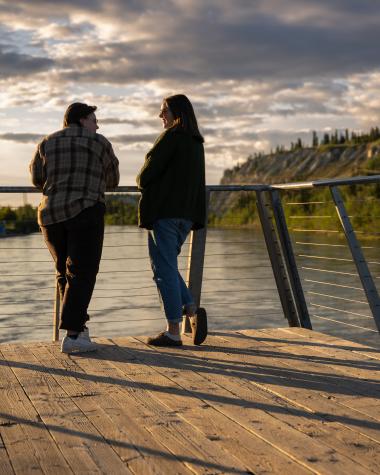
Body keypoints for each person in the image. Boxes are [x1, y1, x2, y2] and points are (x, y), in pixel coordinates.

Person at [30, 102, 120, 354]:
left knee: (64, 272)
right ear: (81, 120)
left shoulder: (46, 142)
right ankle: (73, 335)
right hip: (85, 211)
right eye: (93, 119)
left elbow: (37, 178)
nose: (97, 124)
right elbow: (113, 180)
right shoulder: (99, 142)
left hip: (50, 215)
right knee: (82, 272)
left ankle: (78, 330)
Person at [136, 94, 207, 346]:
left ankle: (173, 331)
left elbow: (144, 177)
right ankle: (191, 310)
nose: (160, 116)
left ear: (176, 113)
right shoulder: (196, 142)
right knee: (166, 265)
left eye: (163, 110)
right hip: (186, 216)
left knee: (163, 271)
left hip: (164, 214)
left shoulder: (171, 137)